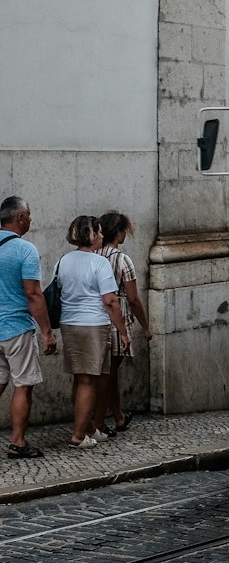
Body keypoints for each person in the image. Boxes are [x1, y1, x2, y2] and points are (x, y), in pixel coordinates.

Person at [55, 216, 129, 449]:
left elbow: (57, 289)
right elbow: (110, 301)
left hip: (69, 324)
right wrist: (123, 332)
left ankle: (89, 429)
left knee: (80, 378)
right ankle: (78, 436)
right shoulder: (99, 263)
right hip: (92, 325)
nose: (100, 236)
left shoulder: (63, 261)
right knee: (89, 381)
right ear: (92, 235)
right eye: (98, 233)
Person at [0, 196, 57, 459]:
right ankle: (18, 442)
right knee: (23, 384)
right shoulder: (25, 250)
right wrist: (47, 331)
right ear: (20, 217)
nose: (31, 219)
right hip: (16, 329)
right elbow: (34, 294)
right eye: (29, 214)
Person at [98, 211, 152, 434]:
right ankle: (97, 422)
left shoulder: (94, 254)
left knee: (108, 374)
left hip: (96, 316)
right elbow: (133, 298)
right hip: (117, 317)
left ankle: (118, 416)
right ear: (119, 232)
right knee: (108, 375)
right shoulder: (122, 260)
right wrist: (146, 327)